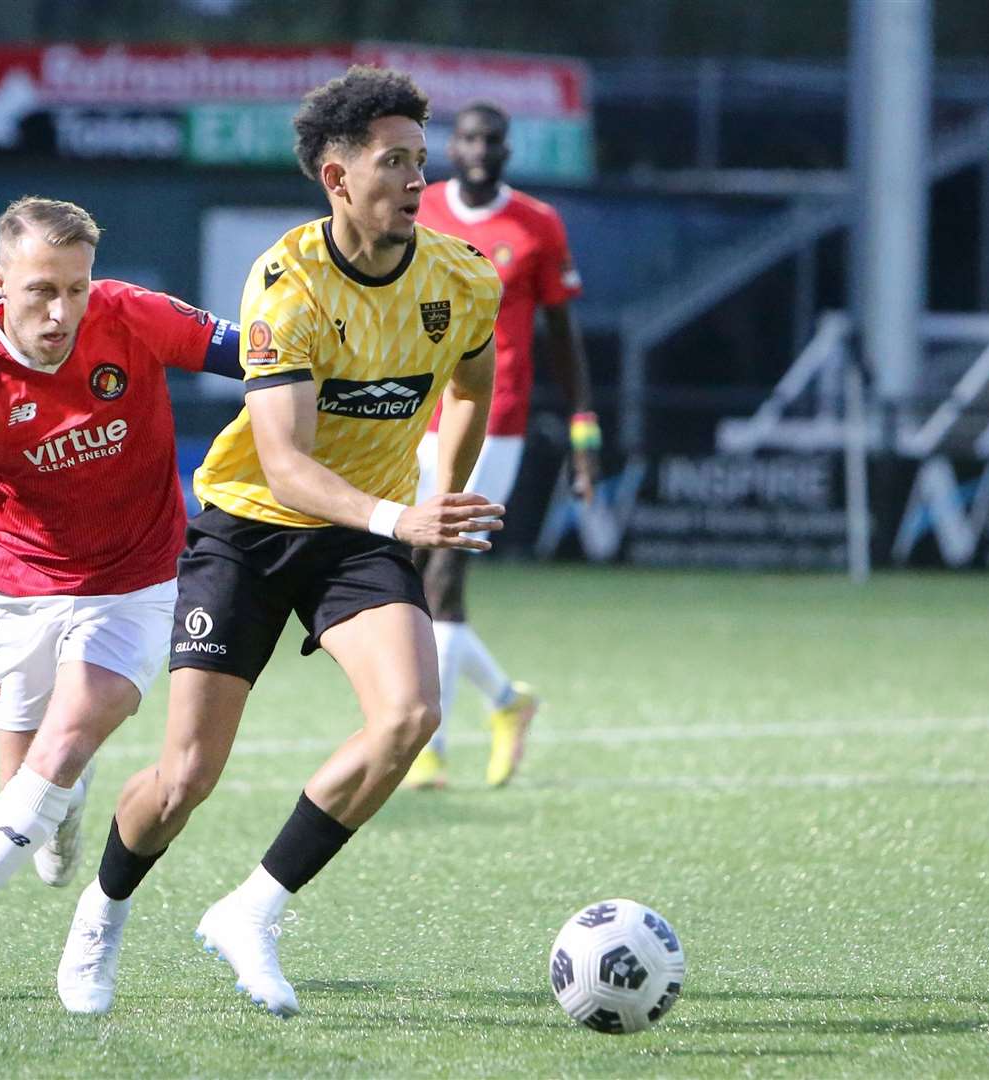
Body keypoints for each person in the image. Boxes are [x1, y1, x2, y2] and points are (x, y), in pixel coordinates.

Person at [54, 65, 503, 1019]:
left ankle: (251, 910)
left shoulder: (461, 279)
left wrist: (442, 494)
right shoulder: (285, 283)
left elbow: (470, 385)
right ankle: (100, 912)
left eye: (421, 160)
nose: (417, 179)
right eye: (395, 162)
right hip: (251, 529)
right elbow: (287, 464)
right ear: (337, 178)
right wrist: (402, 519)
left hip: (361, 533)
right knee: (184, 778)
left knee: (410, 717)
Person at [0, 196, 242, 994]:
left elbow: (254, 357)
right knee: (28, 786)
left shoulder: (130, 314)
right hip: (16, 589)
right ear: (0, 281)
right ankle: (59, 807)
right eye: (40, 290)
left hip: (135, 582)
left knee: (63, 746)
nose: (62, 310)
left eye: (76, 288)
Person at [403, 102, 601, 791]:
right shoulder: (419, 209)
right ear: (449, 148)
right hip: (413, 417)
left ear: (506, 150)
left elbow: (563, 335)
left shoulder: (536, 225)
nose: (480, 149)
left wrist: (584, 432)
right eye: (468, 138)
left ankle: (427, 748)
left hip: (498, 421)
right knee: (410, 577)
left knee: (442, 578)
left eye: (491, 139)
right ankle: (508, 702)